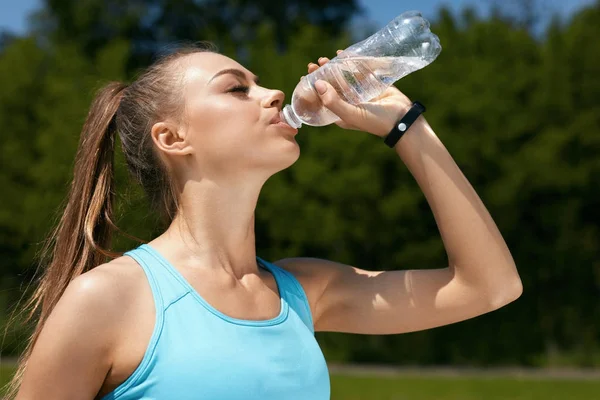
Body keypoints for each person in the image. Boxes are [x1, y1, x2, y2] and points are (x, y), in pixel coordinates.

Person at [9, 44, 522, 400]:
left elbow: (489, 287)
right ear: (172, 139)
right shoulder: (108, 300)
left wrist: (407, 125)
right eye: (237, 89)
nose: (274, 93)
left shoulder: (305, 293)